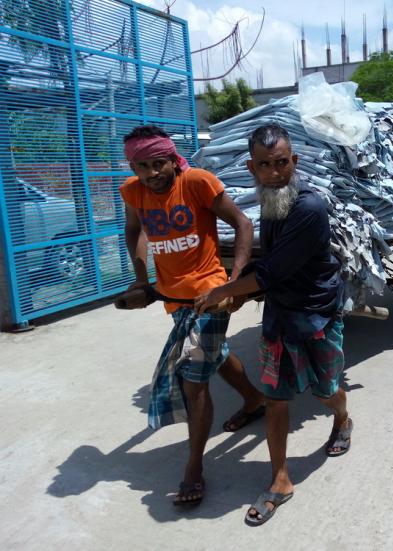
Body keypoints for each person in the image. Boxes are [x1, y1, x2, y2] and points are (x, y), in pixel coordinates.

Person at [194, 124, 351, 526]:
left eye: (282, 163)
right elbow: (270, 263)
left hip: (316, 315)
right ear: (252, 168)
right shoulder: (269, 203)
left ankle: (343, 419)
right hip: (280, 316)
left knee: (326, 391)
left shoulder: (309, 208)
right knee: (276, 398)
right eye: (265, 165)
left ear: (294, 161)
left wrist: (223, 291)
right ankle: (280, 479)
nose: (275, 172)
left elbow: (274, 270)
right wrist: (237, 291)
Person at [119, 125, 264, 506]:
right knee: (214, 356)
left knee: (193, 380)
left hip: (209, 294)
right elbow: (134, 230)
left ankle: (194, 467)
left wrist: (232, 284)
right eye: (141, 166)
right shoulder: (133, 192)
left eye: (158, 163)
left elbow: (243, 224)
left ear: (172, 159)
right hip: (172, 298)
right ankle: (253, 399)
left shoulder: (198, 182)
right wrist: (141, 282)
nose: (151, 173)